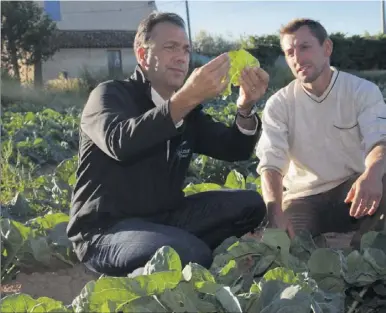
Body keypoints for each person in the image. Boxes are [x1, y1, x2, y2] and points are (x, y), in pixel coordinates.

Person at [66, 12, 269, 277]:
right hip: (105, 230)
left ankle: (166, 251)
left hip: (166, 218)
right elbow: (120, 142)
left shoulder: (188, 111)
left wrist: (245, 108)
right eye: (170, 47)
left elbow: (234, 148)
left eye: (185, 49)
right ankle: (155, 265)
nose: (181, 57)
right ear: (142, 55)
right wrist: (186, 99)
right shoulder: (109, 95)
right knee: (189, 253)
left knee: (251, 204)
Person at [256, 18, 386, 248]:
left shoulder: (361, 91)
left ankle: (356, 246)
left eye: (304, 47)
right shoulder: (279, 104)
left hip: (352, 191)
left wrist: (373, 173)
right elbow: (271, 163)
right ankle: (335, 244)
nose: (297, 58)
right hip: (303, 198)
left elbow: (380, 140)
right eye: (289, 53)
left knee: (382, 176)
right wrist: (275, 210)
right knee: (286, 247)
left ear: (327, 48)